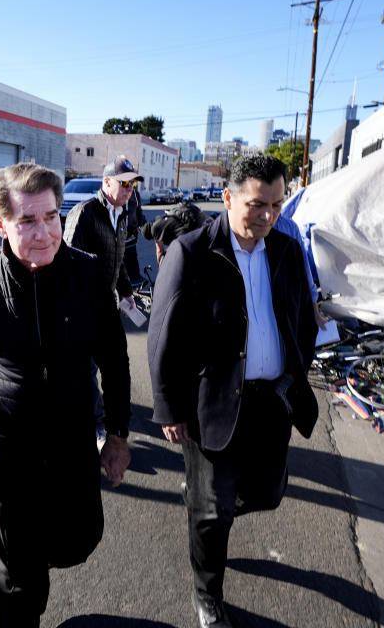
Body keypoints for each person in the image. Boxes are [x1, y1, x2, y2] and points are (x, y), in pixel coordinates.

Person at [0, 163, 132, 627]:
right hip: (5, 453)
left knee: (75, 541)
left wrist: (119, 434)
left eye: (50, 217)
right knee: (16, 572)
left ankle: (32, 577)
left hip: (71, 445)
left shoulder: (88, 275)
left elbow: (115, 358)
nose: (45, 232)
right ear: (0, 223)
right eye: (28, 221)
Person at [147, 154, 318, 628]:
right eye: (256, 204)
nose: (266, 215)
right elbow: (162, 335)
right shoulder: (192, 251)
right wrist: (168, 408)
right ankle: (208, 595)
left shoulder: (285, 249)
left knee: (268, 493)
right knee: (211, 513)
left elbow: (302, 320)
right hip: (214, 404)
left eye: (276, 205)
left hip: (272, 401)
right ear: (228, 198)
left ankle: (207, 504)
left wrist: (293, 378)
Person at [62, 155, 140, 311]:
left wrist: (127, 293)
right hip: (84, 304)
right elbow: (67, 263)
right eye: (124, 182)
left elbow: (117, 258)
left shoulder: (120, 216)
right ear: (107, 182)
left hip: (107, 301)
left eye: (133, 183)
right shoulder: (84, 212)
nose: (130, 188)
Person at [140, 197, 210, 263]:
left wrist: (161, 270)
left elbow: (159, 251)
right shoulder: (159, 219)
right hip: (198, 223)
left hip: (189, 235)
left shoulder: (154, 229)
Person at [123, 187, 147, 284]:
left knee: (131, 255)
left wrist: (142, 224)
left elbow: (139, 211)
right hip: (117, 231)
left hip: (132, 231)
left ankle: (134, 279)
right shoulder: (115, 192)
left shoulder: (135, 194)